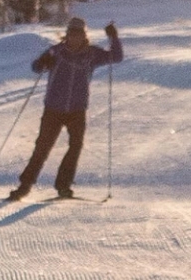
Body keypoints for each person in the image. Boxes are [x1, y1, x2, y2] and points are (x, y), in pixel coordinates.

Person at [8, 15, 125, 200]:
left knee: (75, 147)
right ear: (67, 35)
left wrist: (113, 37)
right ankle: (24, 186)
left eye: (78, 34)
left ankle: (63, 186)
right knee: (42, 148)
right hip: (53, 109)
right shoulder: (56, 52)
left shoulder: (92, 54)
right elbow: (36, 67)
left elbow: (116, 57)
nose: (74, 38)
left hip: (77, 110)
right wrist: (42, 63)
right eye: (71, 34)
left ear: (84, 36)